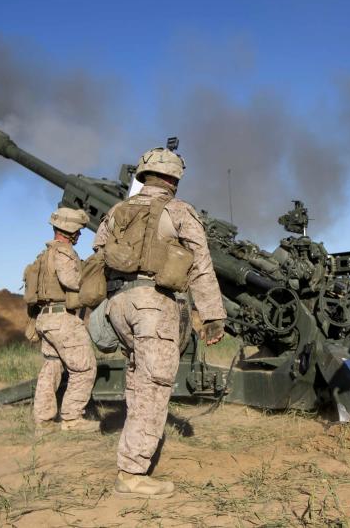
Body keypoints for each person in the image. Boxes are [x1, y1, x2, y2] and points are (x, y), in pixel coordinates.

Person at [93, 145, 225, 499]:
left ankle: (132, 457)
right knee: (154, 386)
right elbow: (200, 265)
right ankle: (132, 473)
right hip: (153, 305)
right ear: (174, 179)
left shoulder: (117, 210)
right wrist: (212, 315)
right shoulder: (179, 211)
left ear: (143, 175)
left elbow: (98, 250)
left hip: (120, 303)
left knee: (138, 381)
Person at [31, 207, 99, 433]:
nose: (79, 235)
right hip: (63, 319)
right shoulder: (64, 252)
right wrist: (91, 271)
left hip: (46, 318)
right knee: (84, 368)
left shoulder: (44, 255)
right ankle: (72, 419)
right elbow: (72, 280)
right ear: (70, 230)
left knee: (51, 368)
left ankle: (44, 421)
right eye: (78, 231)